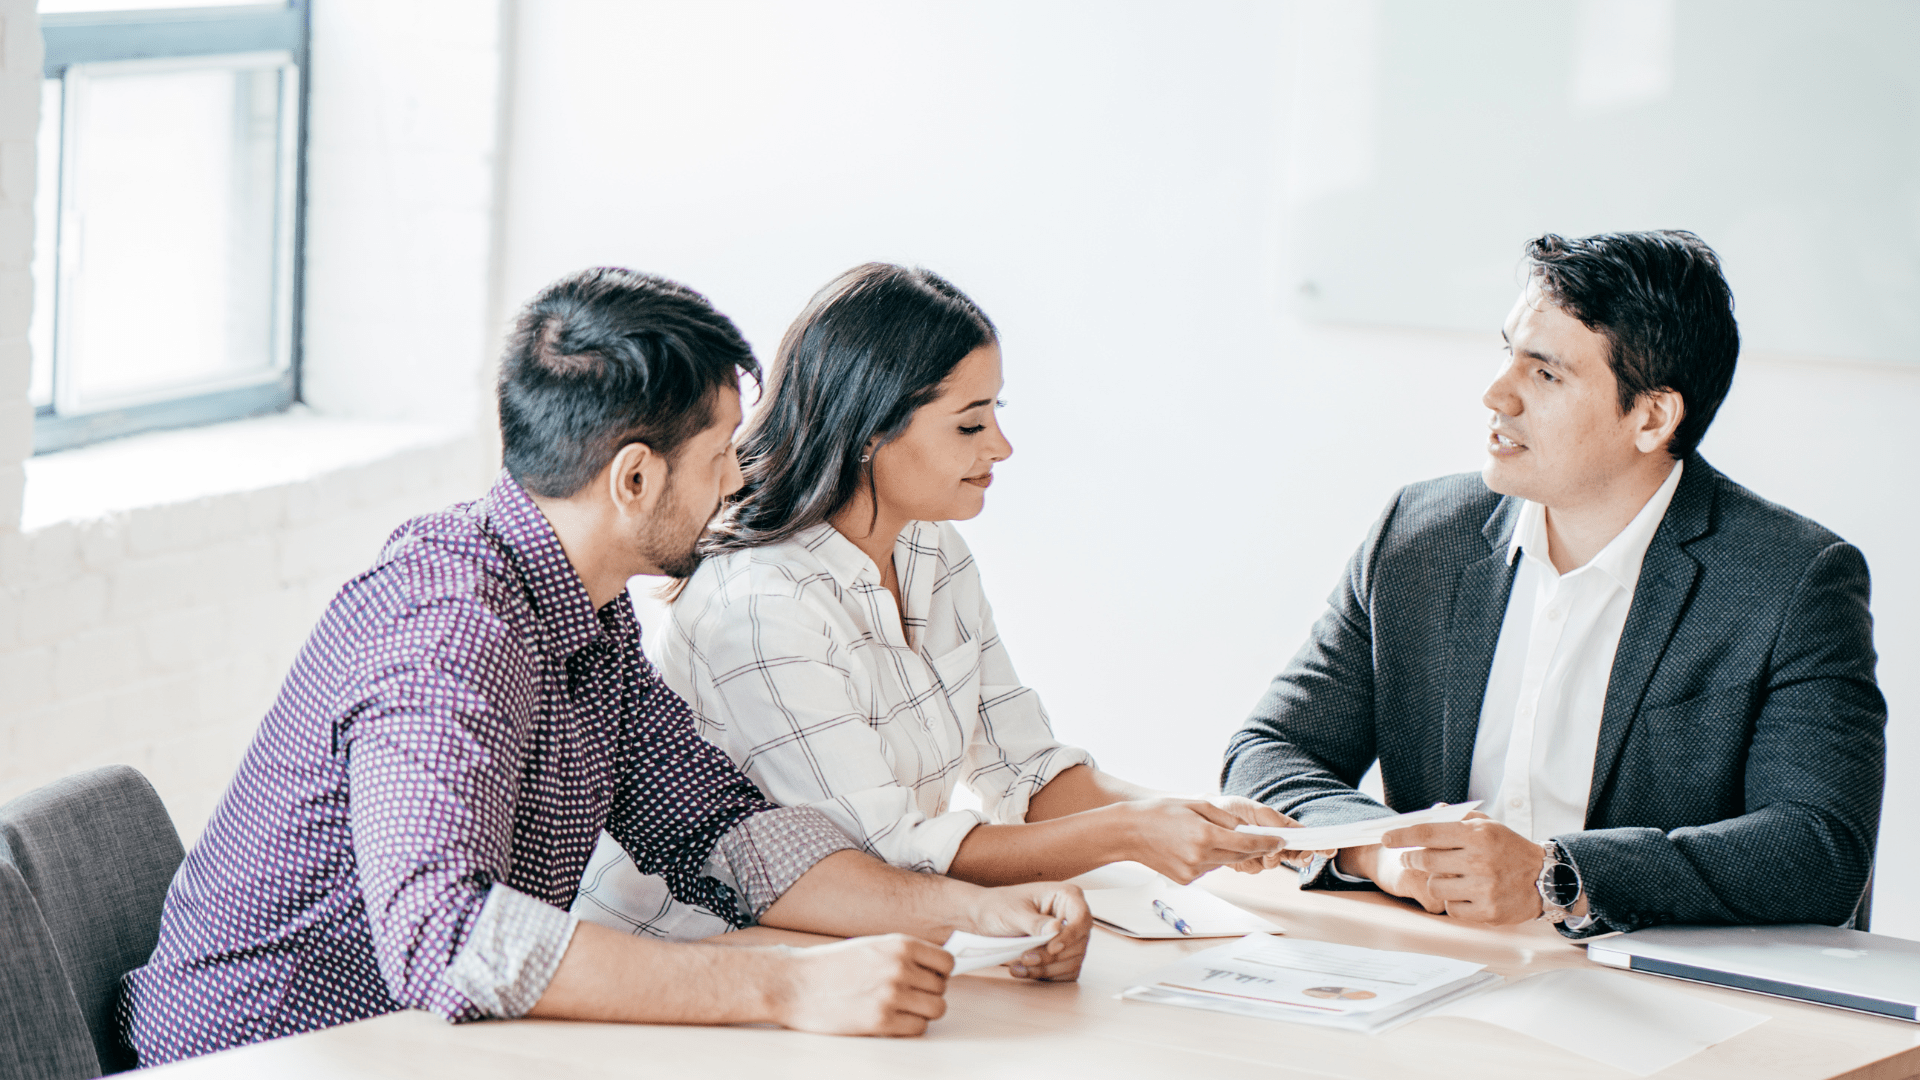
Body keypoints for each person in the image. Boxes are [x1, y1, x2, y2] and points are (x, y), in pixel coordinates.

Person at [119, 268, 1092, 1066]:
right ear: (635, 478)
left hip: (414, 1047)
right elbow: (447, 938)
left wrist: (973, 913)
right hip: (266, 1054)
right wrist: (786, 986)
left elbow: (723, 831)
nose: (741, 478)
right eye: (720, 454)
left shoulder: (586, 617)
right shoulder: (450, 631)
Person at [573, 263, 1296, 939]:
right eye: (971, 423)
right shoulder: (758, 606)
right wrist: (1134, 836)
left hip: (862, 940)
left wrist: (1188, 818)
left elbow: (1024, 770)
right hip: (703, 951)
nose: (1003, 447)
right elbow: (886, 855)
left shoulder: (931, 551)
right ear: (870, 430)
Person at [1222, 230, 1885, 935]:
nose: (1496, 395)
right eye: (1507, 353)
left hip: (1662, 1000)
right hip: (1434, 969)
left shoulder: (1791, 580)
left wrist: (1557, 876)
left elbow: (1819, 848)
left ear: (1652, 416)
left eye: (1545, 374)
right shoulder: (1420, 535)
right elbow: (1270, 751)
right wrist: (1383, 853)